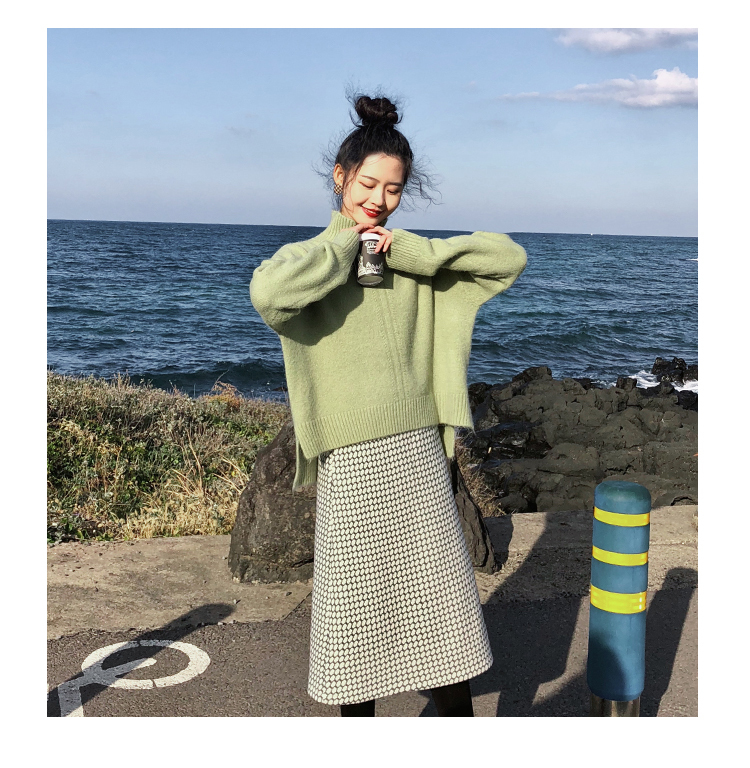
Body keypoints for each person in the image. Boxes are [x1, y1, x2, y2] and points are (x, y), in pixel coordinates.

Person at [249, 93, 527, 717]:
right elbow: (270, 294)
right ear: (340, 177)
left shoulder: (410, 259)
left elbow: (508, 258)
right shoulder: (312, 260)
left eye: (393, 189)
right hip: (350, 463)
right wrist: (346, 245)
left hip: (418, 455)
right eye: (368, 184)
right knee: (354, 641)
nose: (378, 199)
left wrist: (412, 252)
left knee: (445, 632)